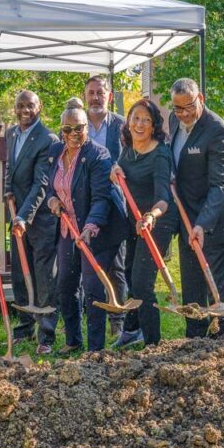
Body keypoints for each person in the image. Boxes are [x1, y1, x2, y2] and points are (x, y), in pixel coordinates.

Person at [46, 99, 127, 353]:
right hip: (68, 230)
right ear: (61, 130)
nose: (73, 134)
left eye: (78, 128)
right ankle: (73, 341)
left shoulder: (98, 155)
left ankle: (95, 349)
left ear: (87, 128)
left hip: (95, 231)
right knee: (66, 286)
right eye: (67, 129)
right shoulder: (56, 153)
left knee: (93, 289)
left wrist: (91, 226)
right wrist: (52, 199)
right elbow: (50, 185)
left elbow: (101, 197)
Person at [168, 78, 224, 338]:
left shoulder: (217, 130)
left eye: (189, 107)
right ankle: (193, 341)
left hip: (213, 221)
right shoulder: (175, 121)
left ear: (201, 99)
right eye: (177, 108)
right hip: (187, 219)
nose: (183, 113)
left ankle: (221, 344)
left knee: (215, 289)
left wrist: (203, 224)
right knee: (192, 286)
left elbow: (220, 185)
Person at [109, 98, 173, 348]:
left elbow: (163, 199)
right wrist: (114, 170)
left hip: (157, 221)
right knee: (129, 274)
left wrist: (150, 217)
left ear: (154, 125)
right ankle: (131, 330)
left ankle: (153, 343)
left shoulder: (160, 154)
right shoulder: (128, 149)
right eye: (136, 118)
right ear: (128, 122)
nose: (140, 124)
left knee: (142, 282)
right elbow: (120, 170)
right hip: (134, 221)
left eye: (146, 120)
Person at [4, 90, 60, 353]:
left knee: (43, 275)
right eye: (20, 106)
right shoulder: (12, 133)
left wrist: (24, 216)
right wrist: (7, 192)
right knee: (19, 273)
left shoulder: (47, 139)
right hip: (17, 216)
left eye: (30, 106)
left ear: (40, 107)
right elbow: (10, 170)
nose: (24, 110)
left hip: (40, 220)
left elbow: (42, 184)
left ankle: (46, 335)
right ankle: (25, 326)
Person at [83, 75, 129, 338]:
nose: (96, 98)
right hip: (86, 202)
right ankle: (93, 316)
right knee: (90, 265)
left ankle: (118, 321)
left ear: (109, 96)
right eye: (91, 93)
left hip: (114, 202)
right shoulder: (79, 126)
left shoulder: (121, 126)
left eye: (101, 93)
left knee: (116, 265)